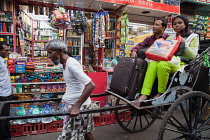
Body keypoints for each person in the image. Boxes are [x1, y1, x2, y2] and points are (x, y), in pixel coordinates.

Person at [138, 15, 199, 100]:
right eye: (174, 24)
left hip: (182, 64)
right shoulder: (171, 37)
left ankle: (161, 93)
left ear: (185, 24)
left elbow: (193, 56)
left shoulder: (193, 37)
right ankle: (145, 93)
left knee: (162, 65)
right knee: (152, 63)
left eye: (179, 23)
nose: (176, 25)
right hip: (169, 60)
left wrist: (184, 44)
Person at [45, 39, 96, 140]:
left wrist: (76, 106)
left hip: (78, 107)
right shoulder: (63, 63)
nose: (49, 56)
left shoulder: (71, 64)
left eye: (50, 53)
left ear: (59, 50)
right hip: (74, 104)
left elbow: (91, 85)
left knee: (67, 137)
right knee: (86, 132)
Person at [0, 42, 12, 140]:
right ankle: (5, 137)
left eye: (9, 49)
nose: (9, 52)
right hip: (2, 94)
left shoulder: (2, 61)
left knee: (5, 117)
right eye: (6, 50)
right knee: (3, 118)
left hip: (6, 93)